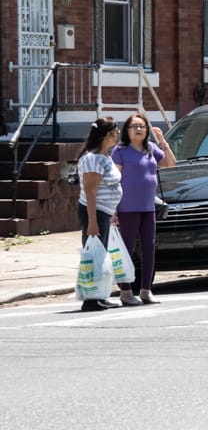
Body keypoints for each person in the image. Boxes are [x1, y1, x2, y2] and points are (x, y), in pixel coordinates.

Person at [112, 112, 176, 306]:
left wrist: (162, 140)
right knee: (128, 249)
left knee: (149, 248)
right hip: (127, 207)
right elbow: (114, 181)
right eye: (134, 126)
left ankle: (146, 290)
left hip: (148, 207)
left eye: (142, 126)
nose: (139, 129)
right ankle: (125, 291)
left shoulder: (151, 148)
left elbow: (170, 164)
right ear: (127, 130)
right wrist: (113, 210)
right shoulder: (120, 151)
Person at [77, 116, 122, 312]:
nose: (117, 136)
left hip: (105, 212)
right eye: (115, 133)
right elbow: (90, 191)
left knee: (101, 255)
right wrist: (92, 222)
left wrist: (112, 212)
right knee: (95, 255)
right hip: (94, 212)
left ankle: (100, 295)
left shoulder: (105, 157)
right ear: (106, 136)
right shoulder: (93, 159)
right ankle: (91, 298)